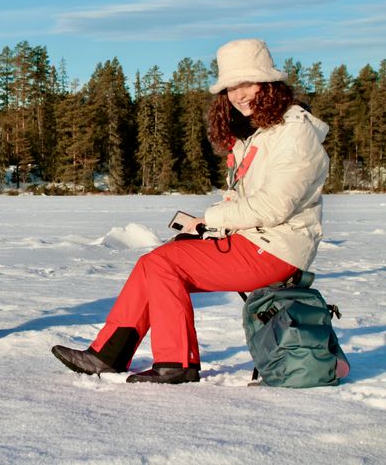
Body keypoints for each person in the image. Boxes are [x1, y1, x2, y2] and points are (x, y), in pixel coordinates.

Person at [52, 38, 330, 383]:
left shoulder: (293, 134)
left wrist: (211, 219)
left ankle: (176, 363)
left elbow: (274, 206)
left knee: (165, 264)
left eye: (247, 83)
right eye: (231, 87)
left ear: (270, 84)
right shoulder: (257, 135)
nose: (239, 95)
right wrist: (207, 228)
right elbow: (247, 202)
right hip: (255, 241)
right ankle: (107, 354)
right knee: (152, 263)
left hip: (277, 250)